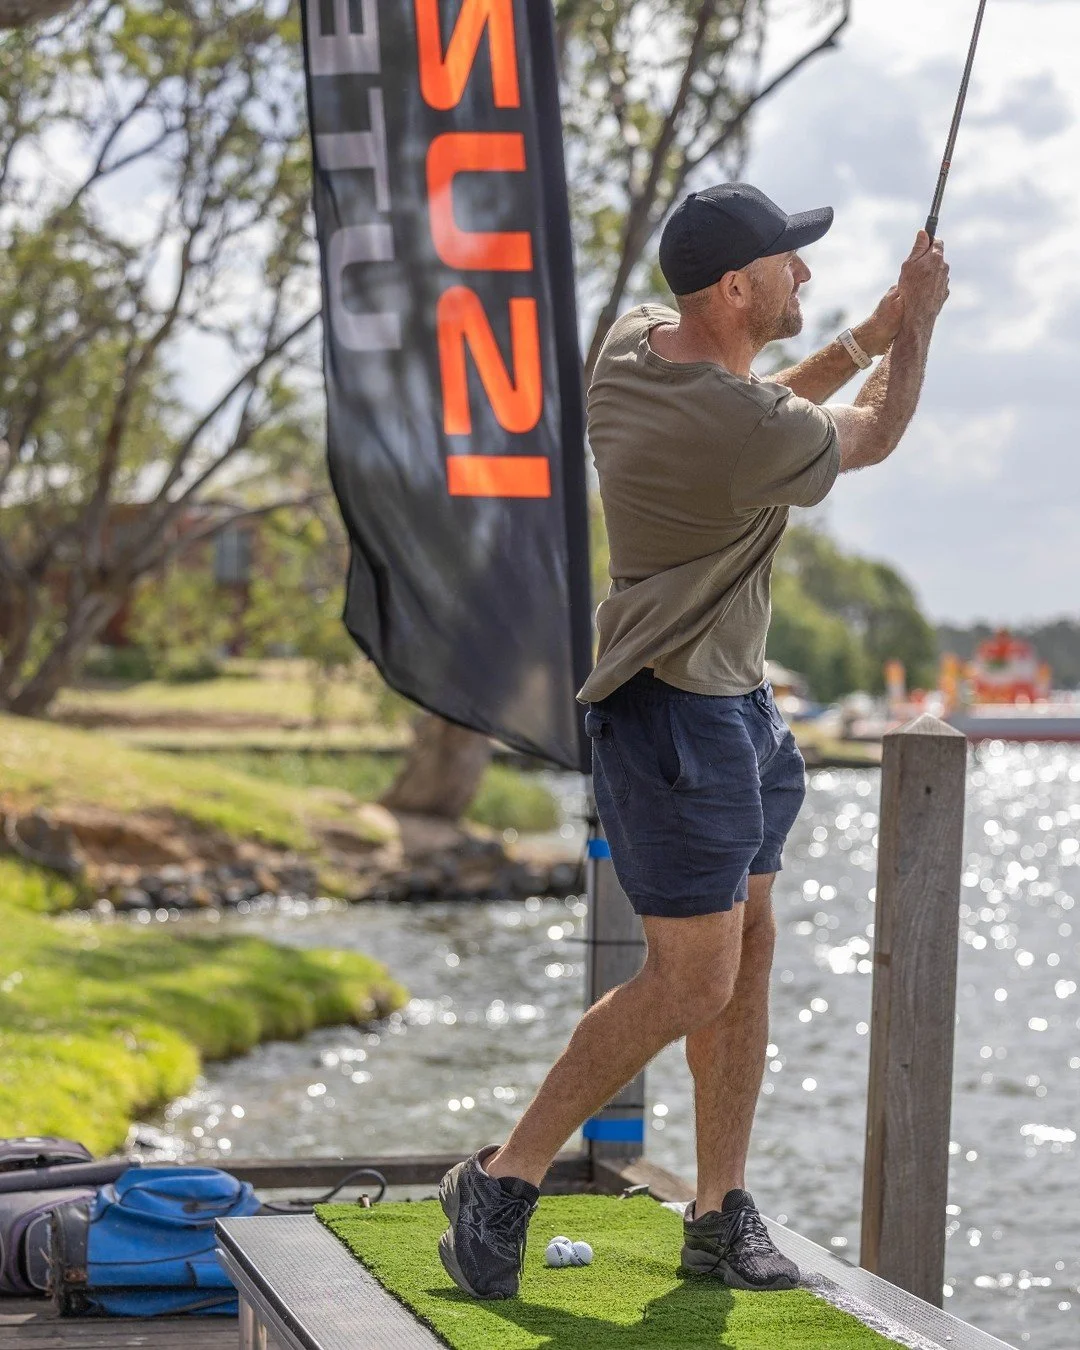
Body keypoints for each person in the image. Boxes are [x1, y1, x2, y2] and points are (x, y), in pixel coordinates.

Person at [437, 182, 950, 1300]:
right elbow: (870, 433)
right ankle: (502, 1178)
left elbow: (760, 410)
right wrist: (916, 327)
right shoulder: (741, 429)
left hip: (738, 710)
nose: (803, 274)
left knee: (747, 952)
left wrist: (867, 331)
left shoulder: (633, 348)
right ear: (734, 286)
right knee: (691, 982)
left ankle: (718, 1211)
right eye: (787, 261)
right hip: (674, 717)